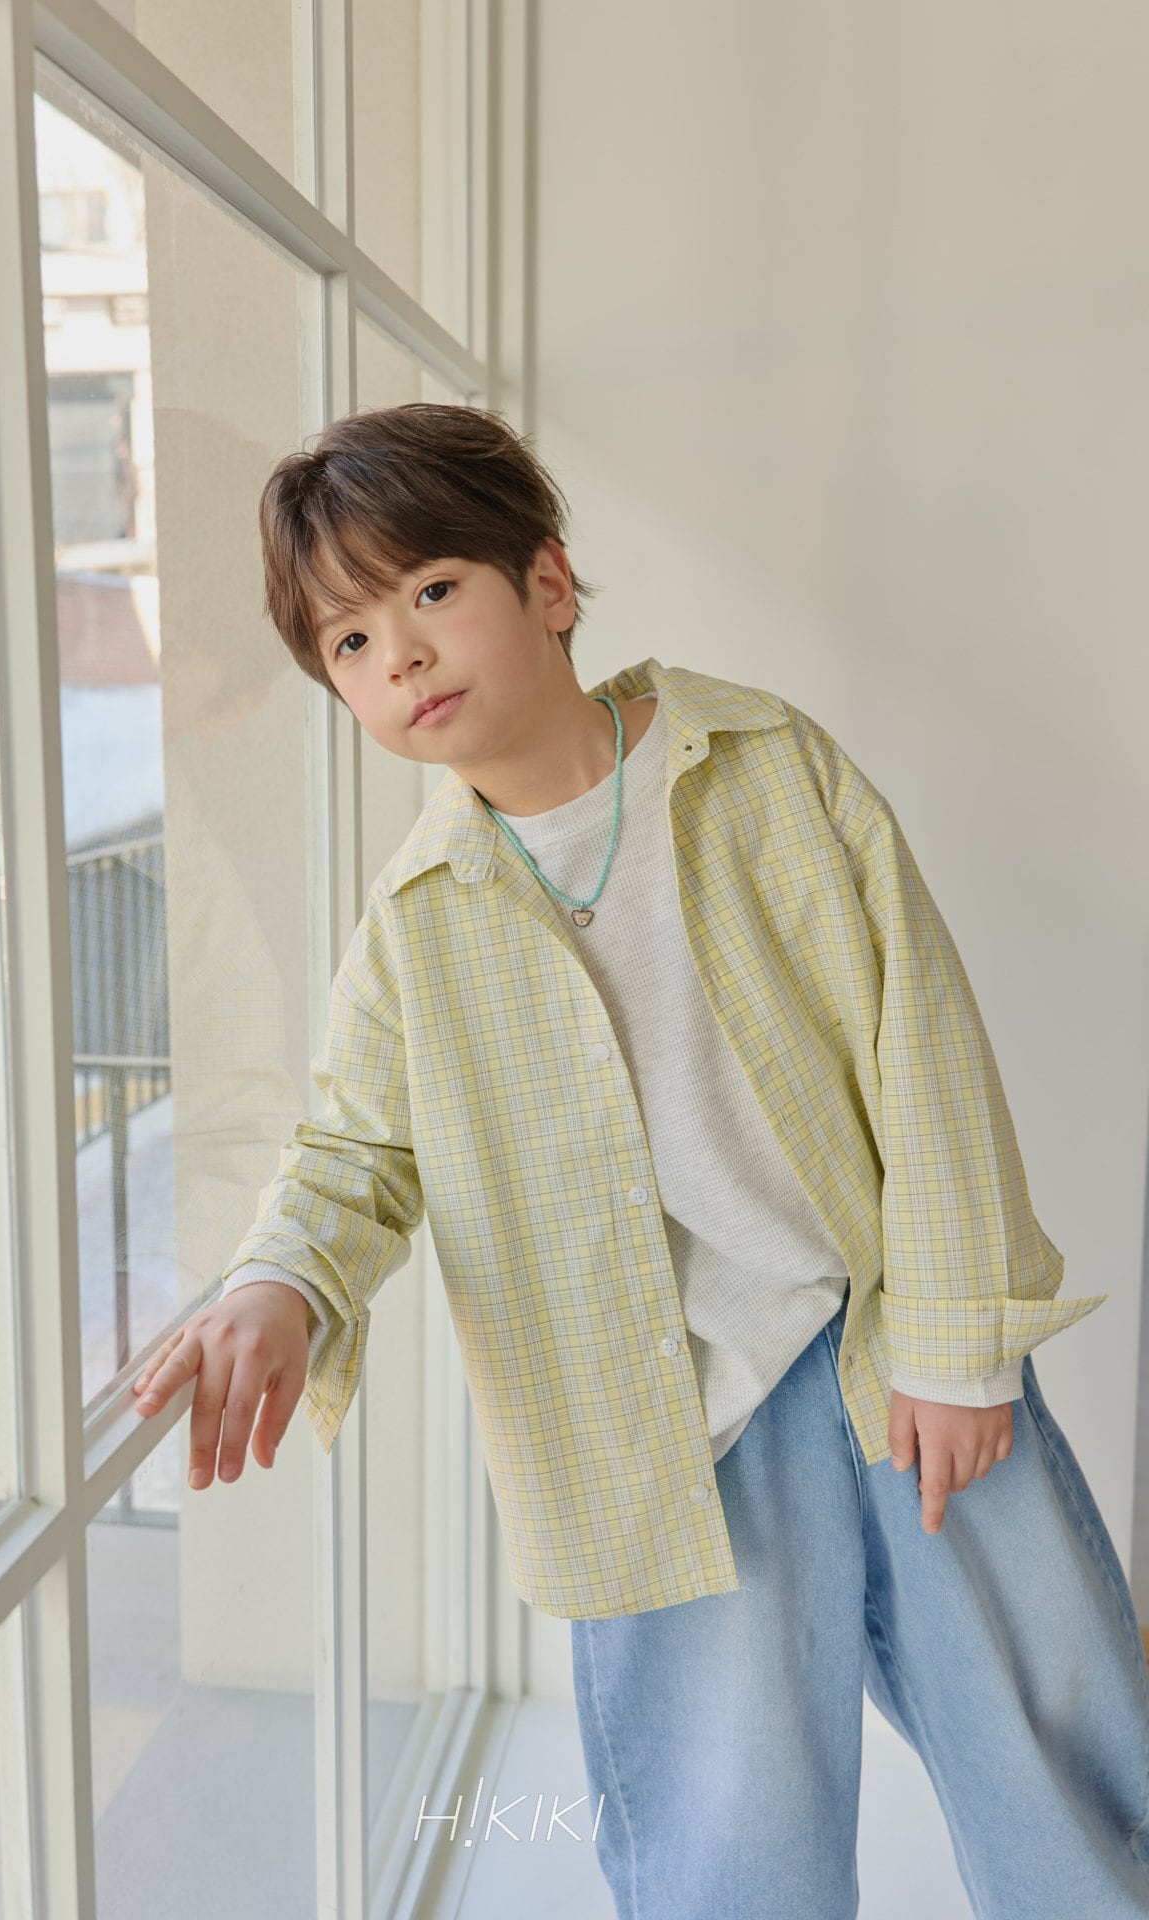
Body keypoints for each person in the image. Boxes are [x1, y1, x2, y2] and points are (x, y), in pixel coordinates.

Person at [131, 401, 1149, 1917]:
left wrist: (958, 1349)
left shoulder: (764, 768)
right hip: (664, 1437)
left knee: (1056, 1753)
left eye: (430, 590)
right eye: (347, 639)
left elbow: (923, 1052)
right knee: (724, 1841)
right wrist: (280, 1280)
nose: (398, 654)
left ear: (546, 583)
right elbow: (354, 1149)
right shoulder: (416, 918)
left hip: (895, 1354)